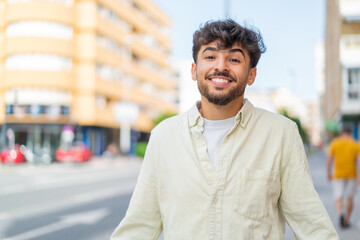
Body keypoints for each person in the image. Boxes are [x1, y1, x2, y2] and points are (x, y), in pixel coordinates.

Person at [111, 19, 339, 239]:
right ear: (194, 70)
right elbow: (139, 226)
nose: (220, 66)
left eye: (234, 60)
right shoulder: (164, 135)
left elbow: (312, 226)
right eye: (210, 56)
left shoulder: (281, 133)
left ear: (251, 75)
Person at [327, 125, 360, 228]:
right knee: (350, 198)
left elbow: (330, 159)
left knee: (338, 196)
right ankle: (346, 220)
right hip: (352, 174)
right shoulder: (355, 144)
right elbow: (359, 161)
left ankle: (340, 212)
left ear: (342, 133)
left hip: (338, 174)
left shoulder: (335, 143)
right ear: (350, 133)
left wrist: (328, 172)